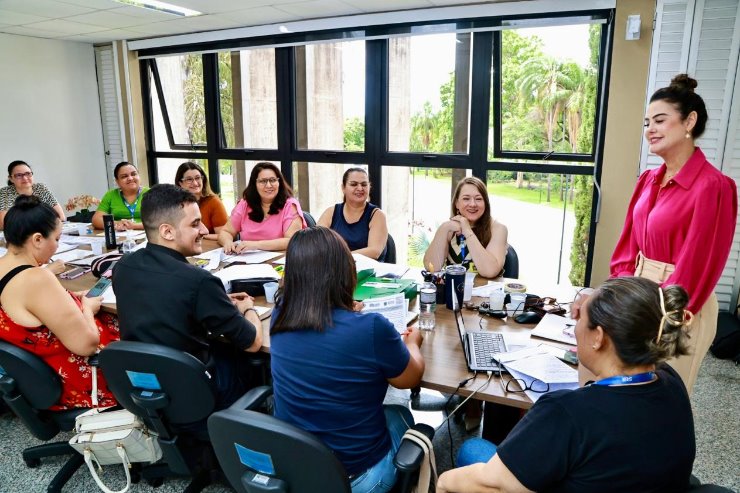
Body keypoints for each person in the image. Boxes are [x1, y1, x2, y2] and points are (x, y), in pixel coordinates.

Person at [438, 277, 696, 493]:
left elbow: (493, 485)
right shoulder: (670, 382)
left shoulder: (565, 413)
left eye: (580, 320)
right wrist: (596, 310)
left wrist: (443, 482)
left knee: (471, 451)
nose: (574, 328)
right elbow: (593, 382)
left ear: (599, 337)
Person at [270, 227, 425, 492]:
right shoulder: (372, 328)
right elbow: (410, 378)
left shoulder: (280, 314)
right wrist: (413, 343)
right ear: (344, 273)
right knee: (403, 416)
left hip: (297, 465)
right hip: (358, 477)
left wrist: (341, 307)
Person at [610, 74, 737, 393]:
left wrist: (662, 312)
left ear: (689, 121)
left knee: (660, 399)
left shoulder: (714, 187)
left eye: (660, 120)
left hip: (679, 306)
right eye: (647, 122)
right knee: (624, 392)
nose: (650, 129)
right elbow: (627, 246)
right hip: (637, 294)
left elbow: (698, 264)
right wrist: (621, 295)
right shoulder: (648, 179)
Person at [112, 184, 262, 408]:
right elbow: (253, 343)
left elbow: (164, 304)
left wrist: (214, 304)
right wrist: (248, 308)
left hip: (149, 384)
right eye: (194, 224)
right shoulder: (199, 281)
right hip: (197, 389)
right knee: (255, 362)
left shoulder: (124, 266)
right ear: (167, 231)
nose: (203, 230)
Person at [0, 196, 119, 410]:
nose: (57, 246)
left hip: (37, 377)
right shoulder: (37, 278)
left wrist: (72, 297)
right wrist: (87, 309)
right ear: (37, 239)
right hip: (77, 378)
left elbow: (35, 308)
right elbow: (87, 345)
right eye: (56, 238)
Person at [423, 177, 508, 278]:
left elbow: (490, 271)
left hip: (486, 292)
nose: (472, 204)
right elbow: (431, 267)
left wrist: (467, 231)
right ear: (457, 204)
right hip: (455, 291)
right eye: (466, 198)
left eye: (478, 199)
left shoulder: (498, 229)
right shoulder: (450, 229)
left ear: (485, 203)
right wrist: (444, 227)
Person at [218, 162, 306, 253]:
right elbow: (225, 232)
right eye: (263, 181)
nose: (268, 185)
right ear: (254, 184)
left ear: (279, 182)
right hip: (247, 261)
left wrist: (255, 245)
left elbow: (292, 240)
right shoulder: (244, 204)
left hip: (280, 261)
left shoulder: (290, 206)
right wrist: (228, 243)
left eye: (272, 180)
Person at [317, 168, 389, 260]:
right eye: (353, 184)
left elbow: (374, 251)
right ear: (343, 188)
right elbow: (316, 242)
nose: (360, 188)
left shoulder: (377, 215)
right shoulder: (330, 212)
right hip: (335, 269)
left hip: (367, 272)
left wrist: (341, 257)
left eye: (364, 184)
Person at [0, 160, 65, 229]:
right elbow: (4, 224)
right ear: (11, 179)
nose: (25, 178)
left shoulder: (41, 188)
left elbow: (61, 217)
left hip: (45, 230)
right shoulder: (5, 192)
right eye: (19, 175)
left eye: (28, 173)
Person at [174, 161, 227, 241]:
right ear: (180, 183)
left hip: (209, 248)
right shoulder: (174, 203)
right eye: (189, 179)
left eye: (198, 178)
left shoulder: (213, 202)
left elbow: (225, 235)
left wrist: (200, 235)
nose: (195, 183)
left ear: (203, 179)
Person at [92, 161, 149, 231]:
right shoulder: (110, 195)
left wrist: (134, 226)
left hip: (147, 235)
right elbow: (96, 220)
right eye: (124, 176)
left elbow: (161, 221)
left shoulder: (151, 194)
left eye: (134, 174)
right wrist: (117, 223)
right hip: (119, 235)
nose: (130, 178)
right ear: (117, 181)